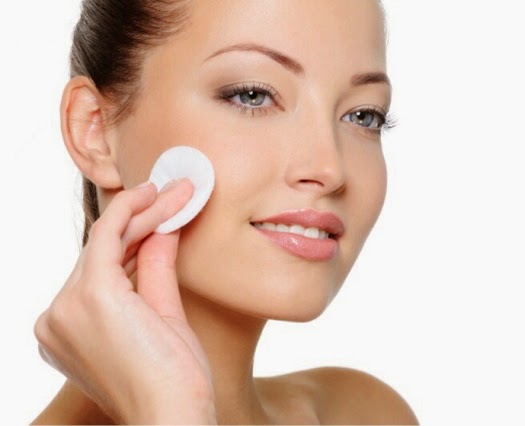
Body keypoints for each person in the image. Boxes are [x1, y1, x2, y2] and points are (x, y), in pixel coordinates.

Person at [31, 0, 418, 424]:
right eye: (252, 95)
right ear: (95, 131)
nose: (330, 169)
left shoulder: (362, 414)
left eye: (363, 116)